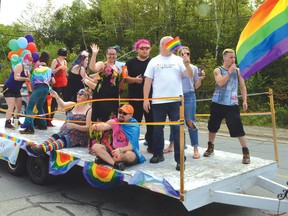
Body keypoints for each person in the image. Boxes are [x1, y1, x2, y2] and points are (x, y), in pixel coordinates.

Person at [143, 36, 193, 171]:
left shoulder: (178, 60)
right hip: (158, 101)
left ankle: (180, 159)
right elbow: (147, 81)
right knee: (158, 130)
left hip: (176, 101)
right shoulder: (154, 61)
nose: (172, 45)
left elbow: (189, 75)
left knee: (177, 130)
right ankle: (158, 154)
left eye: (173, 43)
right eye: (168, 43)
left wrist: (187, 64)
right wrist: (146, 99)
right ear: (162, 45)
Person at [203, 48, 250, 164]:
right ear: (224, 58)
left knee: (238, 127)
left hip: (231, 104)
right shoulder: (218, 70)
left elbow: (243, 86)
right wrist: (229, 72)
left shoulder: (238, 71)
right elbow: (220, 82)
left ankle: (245, 152)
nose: (233, 60)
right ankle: (210, 146)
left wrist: (244, 100)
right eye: (230, 57)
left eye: (234, 57)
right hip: (217, 103)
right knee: (212, 126)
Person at [164, 46, 205, 159]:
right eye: (183, 54)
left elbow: (195, 85)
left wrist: (200, 80)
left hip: (189, 95)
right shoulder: (173, 67)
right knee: (174, 121)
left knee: (190, 122)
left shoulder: (193, 68)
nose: (186, 55)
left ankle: (195, 148)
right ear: (178, 55)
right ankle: (172, 145)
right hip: (176, 96)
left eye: (188, 53)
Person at [26, 88, 92, 156]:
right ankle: (40, 147)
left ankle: (43, 149)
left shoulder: (89, 110)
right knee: (55, 137)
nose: (78, 95)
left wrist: (74, 126)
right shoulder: (73, 104)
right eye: (77, 94)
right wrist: (56, 97)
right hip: (65, 132)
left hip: (77, 136)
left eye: (81, 94)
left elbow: (88, 127)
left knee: (62, 140)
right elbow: (63, 105)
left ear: (86, 97)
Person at [84, 44, 123, 152]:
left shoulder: (118, 68)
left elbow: (118, 84)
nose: (112, 56)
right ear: (106, 55)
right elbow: (92, 68)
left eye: (114, 54)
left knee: (111, 120)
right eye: (110, 54)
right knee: (99, 119)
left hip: (113, 97)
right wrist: (94, 54)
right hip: (101, 96)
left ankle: (107, 145)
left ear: (116, 55)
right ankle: (95, 146)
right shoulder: (102, 64)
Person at [90, 104, 145, 171]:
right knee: (95, 146)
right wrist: (96, 126)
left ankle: (105, 159)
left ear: (131, 115)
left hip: (126, 151)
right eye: (120, 112)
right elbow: (104, 126)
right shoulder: (115, 121)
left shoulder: (133, 127)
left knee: (129, 156)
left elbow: (131, 147)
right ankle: (114, 164)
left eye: (124, 113)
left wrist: (120, 150)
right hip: (113, 149)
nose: (121, 115)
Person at [125, 39, 154, 153]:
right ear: (137, 49)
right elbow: (125, 78)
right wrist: (135, 80)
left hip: (151, 98)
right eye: (142, 48)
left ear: (150, 49)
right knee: (134, 124)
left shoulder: (153, 62)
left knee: (151, 123)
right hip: (134, 97)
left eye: (147, 48)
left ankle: (151, 146)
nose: (144, 50)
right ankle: (132, 147)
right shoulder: (130, 62)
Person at [19, 52, 53, 134]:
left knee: (29, 107)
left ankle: (29, 127)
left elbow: (32, 82)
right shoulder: (49, 70)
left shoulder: (36, 70)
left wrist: (32, 90)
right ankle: (43, 125)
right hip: (46, 89)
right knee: (39, 106)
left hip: (38, 88)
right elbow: (52, 81)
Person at [3, 53, 32, 129]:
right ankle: (7, 122)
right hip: (9, 87)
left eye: (31, 61)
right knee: (11, 106)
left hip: (16, 89)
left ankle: (15, 120)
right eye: (28, 61)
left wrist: (30, 91)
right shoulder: (19, 66)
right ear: (25, 60)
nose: (30, 63)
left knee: (19, 106)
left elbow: (28, 83)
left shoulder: (27, 71)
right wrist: (25, 78)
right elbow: (16, 77)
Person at [50, 48, 68, 126]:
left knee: (66, 100)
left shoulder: (65, 61)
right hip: (56, 82)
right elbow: (51, 71)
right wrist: (59, 68)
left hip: (64, 82)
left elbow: (66, 72)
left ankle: (68, 118)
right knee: (54, 102)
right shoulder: (55, 61)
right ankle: (50, 119)